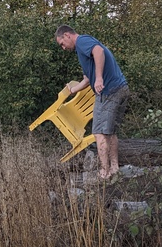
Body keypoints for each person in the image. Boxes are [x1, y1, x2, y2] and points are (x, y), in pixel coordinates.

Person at [55, 24, 129, 179]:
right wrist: (74, 89)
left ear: (67, 35)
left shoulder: (82, 41)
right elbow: (88, 78)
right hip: (121, 88)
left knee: (98, 132)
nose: (63, 48)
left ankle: (104, 172)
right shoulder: (82, 49)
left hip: (109, 92)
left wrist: (100, 78)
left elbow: (99, 51)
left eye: (62, 43)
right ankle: (114, 168)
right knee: (111, 132)